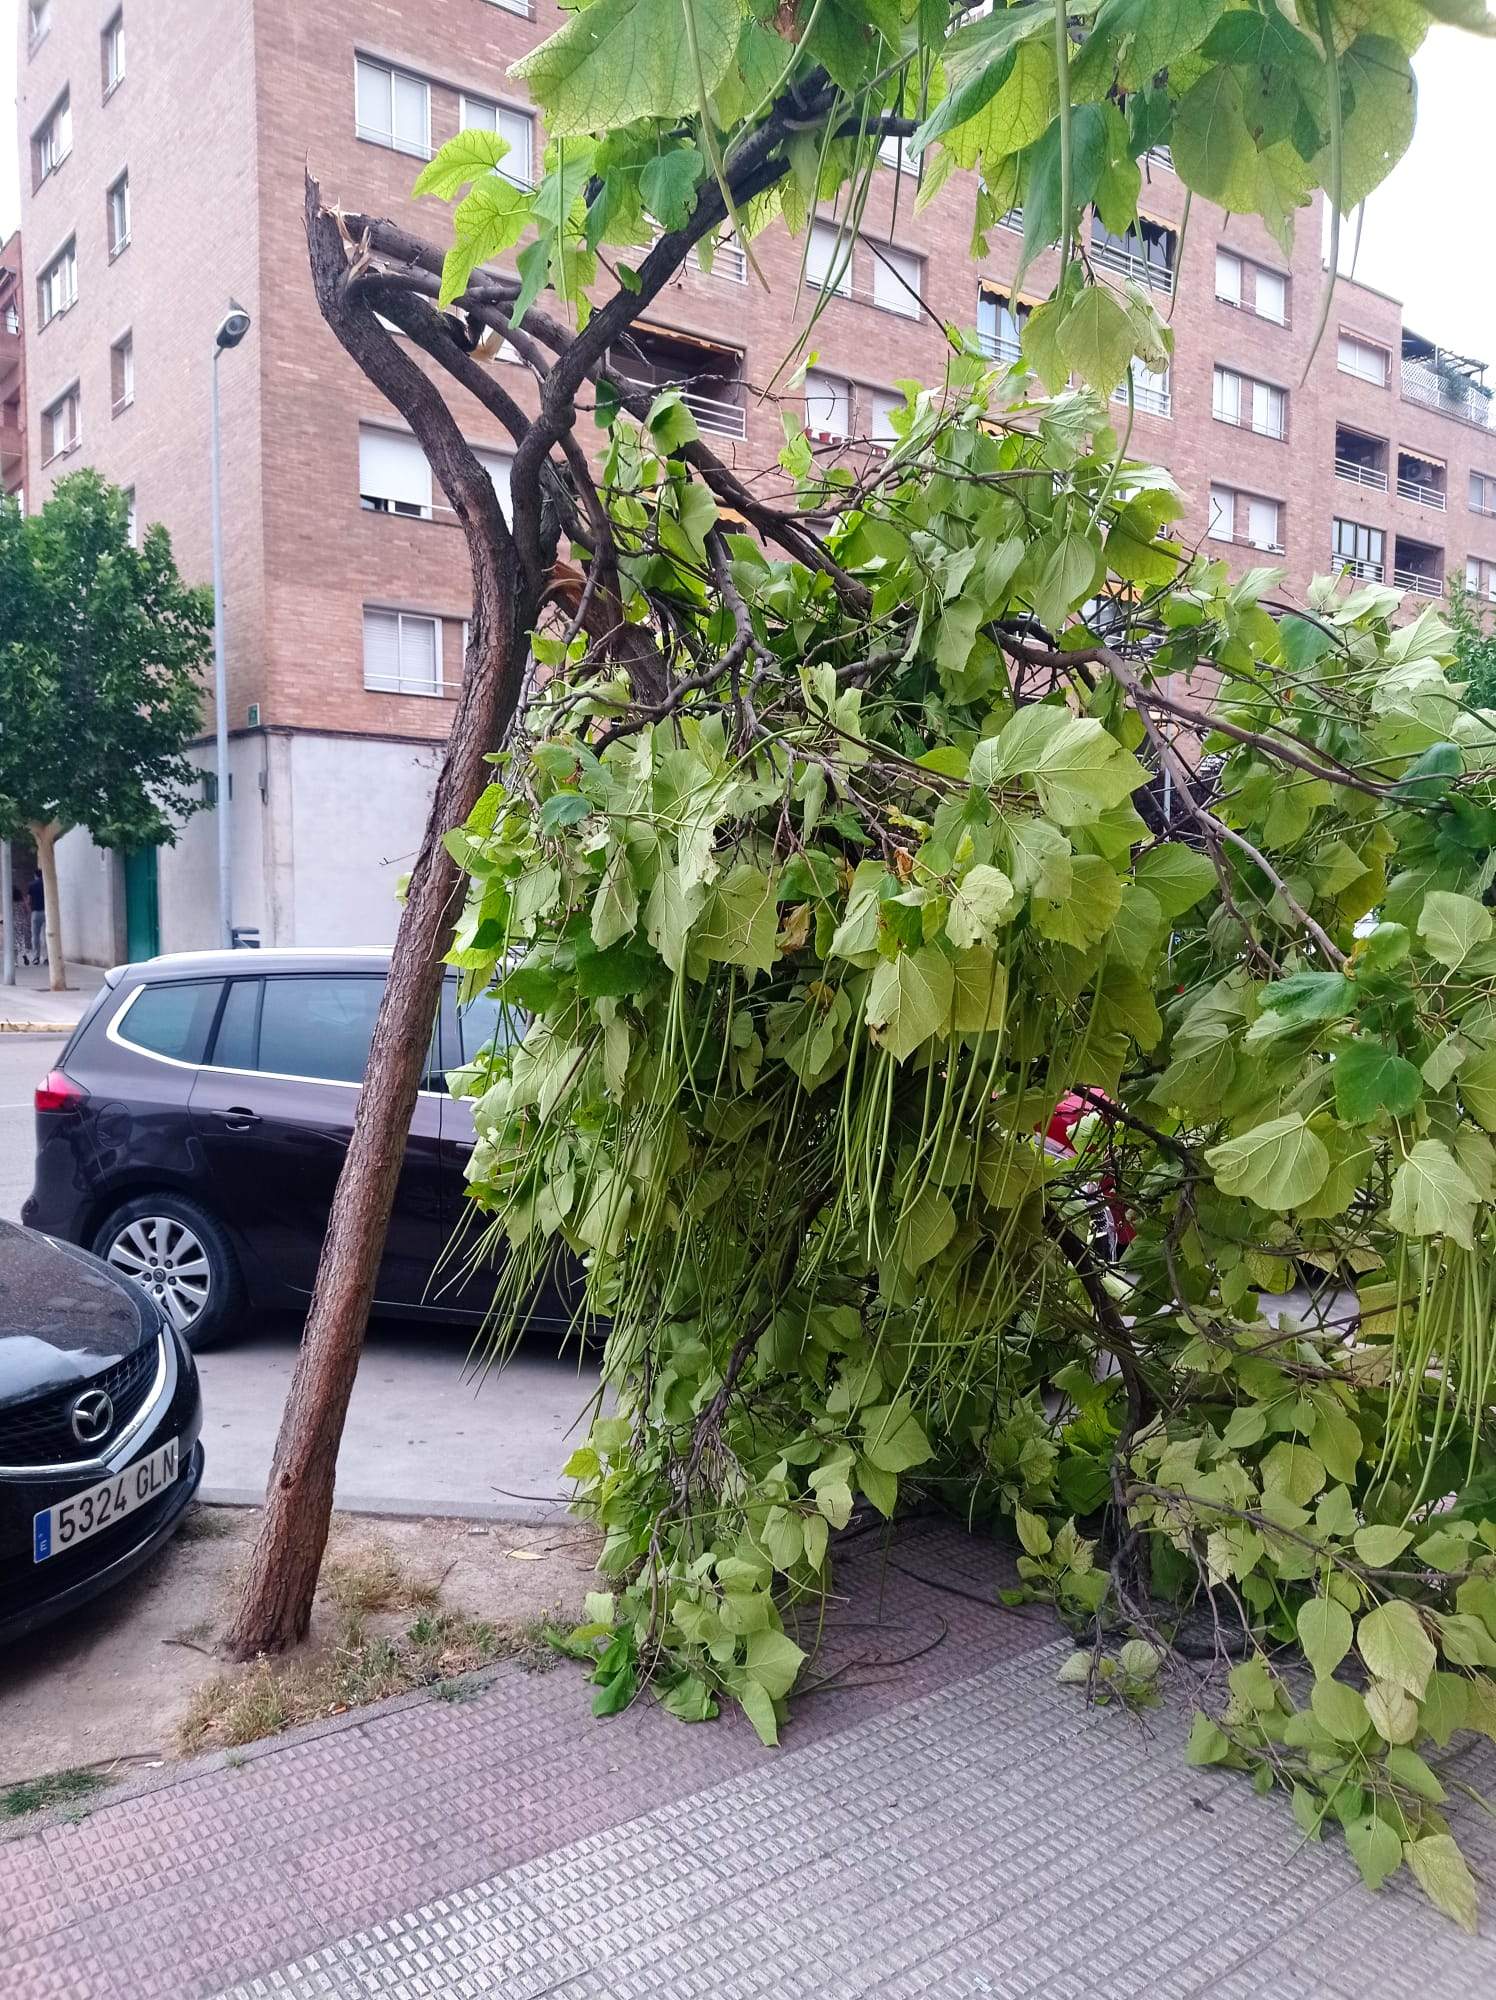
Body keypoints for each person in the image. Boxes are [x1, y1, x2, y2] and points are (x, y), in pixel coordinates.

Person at [28, 869, 46, 968]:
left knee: (35, 936)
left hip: (35, 912)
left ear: (35, 875)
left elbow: (29, 899)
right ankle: (47, 957)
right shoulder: (46, 884)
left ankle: (36, 957)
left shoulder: (31, 885)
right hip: (47, 912)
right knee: (47, 936)